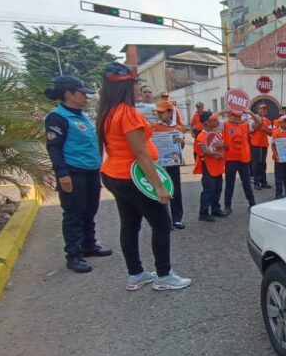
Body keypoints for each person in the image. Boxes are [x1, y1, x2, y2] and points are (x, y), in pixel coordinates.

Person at [97, 62, 191, 291]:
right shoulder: (127, 113)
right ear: (124, 87)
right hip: (134, 177)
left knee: (130, 225)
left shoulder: (107, 111)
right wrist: (159, 187)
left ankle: (136, 274)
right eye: (134, 85)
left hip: (115, 174)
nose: (137, 89)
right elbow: (140, 153)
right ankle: (164, 276)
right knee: (162, 224)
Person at [44, 75, 111, 273]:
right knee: (74, 213)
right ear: (69, 94)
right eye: (82, 93)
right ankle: (73, 255)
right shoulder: (57, 117)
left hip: (90, 171)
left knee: (90, 210)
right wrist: (62, 175)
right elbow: (54, 148)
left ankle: (89, 245)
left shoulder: (81, 115)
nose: (86, 97)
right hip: (73, 172)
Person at [152, 100, 187, 229]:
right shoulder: (154, 127)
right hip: (159, 165)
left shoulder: (178, 128)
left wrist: (181, 142)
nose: (160, 114)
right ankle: (164, 220)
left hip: (173, 164)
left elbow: (181, 148)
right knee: (161, 190)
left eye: (162, 112)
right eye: (158, 112)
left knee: (175, 190)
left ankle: (177, 219)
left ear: (170, 112)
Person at [223, 105, 261, 214]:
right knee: (229, 185)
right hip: (230, 160)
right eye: (234, 115)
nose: (237, 118)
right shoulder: (225, 125)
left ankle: (252, 204)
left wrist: (250, 113)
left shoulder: (245, 125)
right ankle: (227, 207)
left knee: (247, 184)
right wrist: (222, 111)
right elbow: (211, 120)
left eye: (238, 116)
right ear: (230, 115)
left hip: (243, 160)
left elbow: (259, 122)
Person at [194, 112, 227, 222]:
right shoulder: (201, 136)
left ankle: (215, 209)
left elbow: (224, 145)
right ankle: (203, 212)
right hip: (208, 166)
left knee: (218, 188)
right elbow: (205, 151)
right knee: (209, 189)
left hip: (217, 165)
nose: (216, 122)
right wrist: (216, 154)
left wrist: (222, 145)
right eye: (213, 120)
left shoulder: (216, 133)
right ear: (206, 122)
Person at [271, 115, 286, 199]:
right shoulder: (275, 132)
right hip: (279, 159)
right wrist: (276, 155)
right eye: (283, 122)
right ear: (279, 123)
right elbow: (273, 145)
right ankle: (278, 194)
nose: (285, 123)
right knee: (279, 177)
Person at [250, 103, 273, 190]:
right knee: (256, 164)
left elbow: (271, 133)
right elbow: (251, 130)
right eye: (262, 109)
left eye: (265, 109)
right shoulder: (252, 118)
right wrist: (259, 123)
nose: (264, 110)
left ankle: (263, 182)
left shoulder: (267, 120)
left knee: (263, 164)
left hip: (264, 144)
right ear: (258, 110)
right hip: (256, 144)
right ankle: (256, 182)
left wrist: (265, 131)